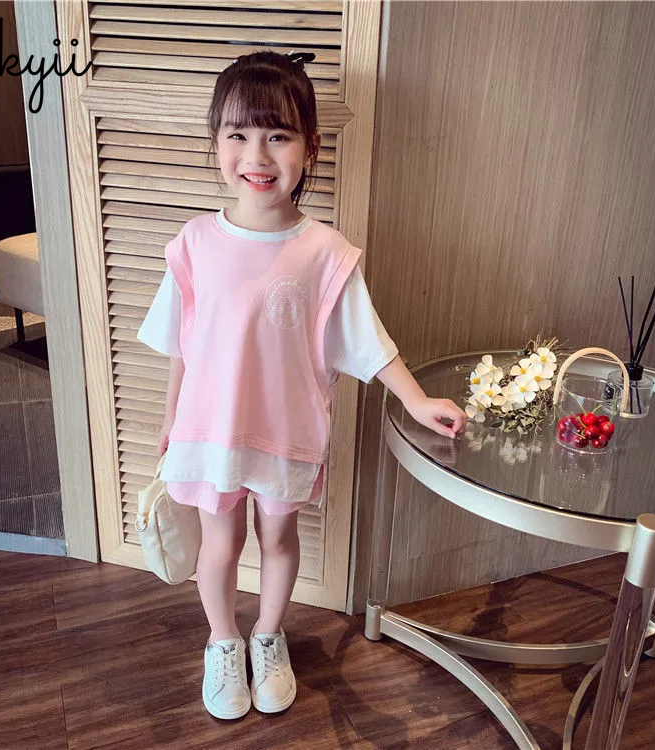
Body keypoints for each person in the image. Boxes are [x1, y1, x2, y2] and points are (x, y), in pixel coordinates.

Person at [137, 51, 466, 721]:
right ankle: (223, 640)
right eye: (238, 134)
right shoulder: (194, 243)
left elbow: (367, 340)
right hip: (209, 431)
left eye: (278, 135)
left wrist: (415, 398)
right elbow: (181, 346)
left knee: (279, 539)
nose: (257, 155)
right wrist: (170, 420)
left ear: (310, 146)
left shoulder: (325, 252)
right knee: (219, 544)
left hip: (286, 433)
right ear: (215, 144)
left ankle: (267, 635)